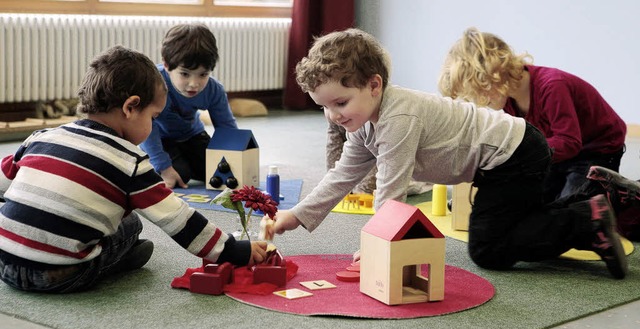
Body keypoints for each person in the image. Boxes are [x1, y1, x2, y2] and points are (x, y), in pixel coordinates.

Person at [264, 28, 628, 279]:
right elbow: (342, 175)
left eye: (340, 103)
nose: (335, 116)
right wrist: (295, 216)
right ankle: (589, 210)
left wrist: (377, 245)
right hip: (506, 157)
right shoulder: (364, 124)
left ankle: (586, 220)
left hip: (515, 155)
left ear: (374, 85)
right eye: (324, 108)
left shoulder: (398, 116)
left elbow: (390, 190)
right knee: (509, 223)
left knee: (489, 249)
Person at [0, 46, 267, 293]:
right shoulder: (130, 162)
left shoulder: (41, 137)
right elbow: (178, 219)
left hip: (5, 264)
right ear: (131, 107)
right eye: (153, 117)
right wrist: (233, 251)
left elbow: (5, 180)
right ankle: (119, 260)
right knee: (130, 224)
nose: (153, 125)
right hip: (62, 275)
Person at [438, 27, 627, 203]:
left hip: (597, 150)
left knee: (570, 210)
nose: (478, 101)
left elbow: (569, 142)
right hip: (561, 154)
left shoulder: (552, 86)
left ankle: (622, 192)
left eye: (479, 92)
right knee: (530, 199)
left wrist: (522, 155)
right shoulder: (508, 100)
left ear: (494, 75)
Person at [140, 23, 238, 189]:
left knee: (217, 172)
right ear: (166, 64)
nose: (194, 84)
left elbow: (227, 128)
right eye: (185, 74)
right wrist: (163, 167)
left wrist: (235, 162)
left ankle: (184, 159)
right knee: (180, 175)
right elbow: (146, 128)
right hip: (160, 139)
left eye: (203, 74)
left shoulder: (214, 90)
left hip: (192, 135)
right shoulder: (153, 83)